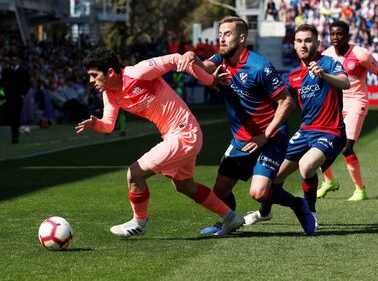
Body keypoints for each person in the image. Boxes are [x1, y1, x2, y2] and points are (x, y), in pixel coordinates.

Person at [76, 47, 245, 237]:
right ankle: (230, 217)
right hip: (178, 135)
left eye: (94, 75)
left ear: (110, 72)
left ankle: (139, 223)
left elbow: (175, 59)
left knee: (134, 174)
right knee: (185, 186)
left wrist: (210, 80)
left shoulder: (137, 72)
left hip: (183, 133)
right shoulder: (109, 94)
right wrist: (96, 124)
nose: (91, 80)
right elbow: (108, 125)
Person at [177, 16, 316, 235]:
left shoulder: (259, 67)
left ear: (242, 38)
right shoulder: (220, 60)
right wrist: (191, 56)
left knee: (259, 193)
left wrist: (264, 136)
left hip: (270, 136)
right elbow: (202, 68)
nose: (222, 39)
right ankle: (228, 219)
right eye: (220, 35)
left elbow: (287, 103)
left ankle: (298, 204)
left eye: (228, 34)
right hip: (242, 139)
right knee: (219, 192)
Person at [245, 24, 350, 227]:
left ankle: (310, 212)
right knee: (270, 180)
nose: (304, 45)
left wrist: (324, 76)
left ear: (317, 43)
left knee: (306, 165)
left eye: (309, 40)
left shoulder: (328, 63)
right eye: (300, 41)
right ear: (294, 45)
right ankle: (264, 213)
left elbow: (346, 83)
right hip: (304, 132)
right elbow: (280, 103)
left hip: (331, 131)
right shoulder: (293, 76)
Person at [318, 20, 378, 201]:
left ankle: (360, 190)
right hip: (335, 105)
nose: (335, 37)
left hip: (357, 102)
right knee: (320, 144)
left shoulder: (360, 54)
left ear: (348, 36)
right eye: (332, 34)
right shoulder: (326, 55)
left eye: (340, 34)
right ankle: (329, 181)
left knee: (346, 148)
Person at [0, 51, 31, 144]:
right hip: (9, 97)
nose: (13, 61)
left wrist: (22, 94)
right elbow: (1, 83)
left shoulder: (22, 71)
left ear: (18, 60)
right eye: (12, 60)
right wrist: (3, 93)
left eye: (15, 59)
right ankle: (14, 135)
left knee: (16, 117)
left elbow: (28, 84)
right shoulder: (6, 71)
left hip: (18, 97)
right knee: (11, 117)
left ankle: (15, 137)